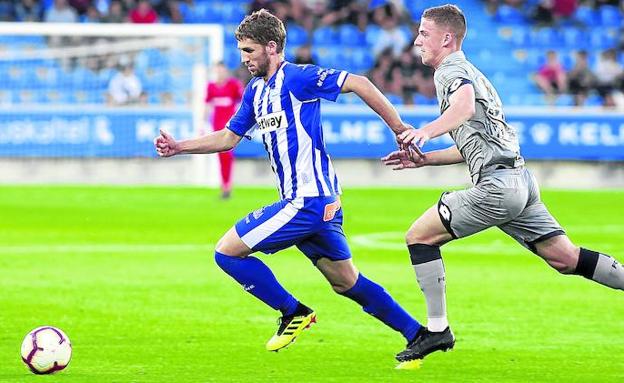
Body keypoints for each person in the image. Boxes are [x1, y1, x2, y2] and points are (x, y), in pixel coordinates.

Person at [155, 9, 425, 366]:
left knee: (227, 252)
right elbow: (228, 137)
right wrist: (180, 147)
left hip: (308, 200)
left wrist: (398, 127)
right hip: (315, 201)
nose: (244, 59)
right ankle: (419, 334)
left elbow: (359, 82)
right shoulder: (255, 91)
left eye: (249, 51)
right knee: (346, 282)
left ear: (271, 47)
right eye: (241, 52)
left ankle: (292, 312)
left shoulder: (297, 78)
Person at [381, 4, 624, 364]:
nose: (417, 40)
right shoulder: (473, 72)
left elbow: (461, 109)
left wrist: (425, 133)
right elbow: (472, 142)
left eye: (423, 33)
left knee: (419, 236)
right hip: (519, 181)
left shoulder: (451, 71)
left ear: (446, 38)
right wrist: (425, 159)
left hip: (497, 187)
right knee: (565, 258)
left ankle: (437, 331)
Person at [204, 62, 243, 199]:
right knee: (221, 155)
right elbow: (208, 105)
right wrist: (203, 124)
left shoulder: (233, 85)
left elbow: (243, 101)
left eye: (222, 70)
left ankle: (227, 185)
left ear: (226, 71)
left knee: (227, 155)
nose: (220, 73)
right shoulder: (211, 86)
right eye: (217, 71)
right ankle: (225, 185)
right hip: (217, 124)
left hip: (230, 125)